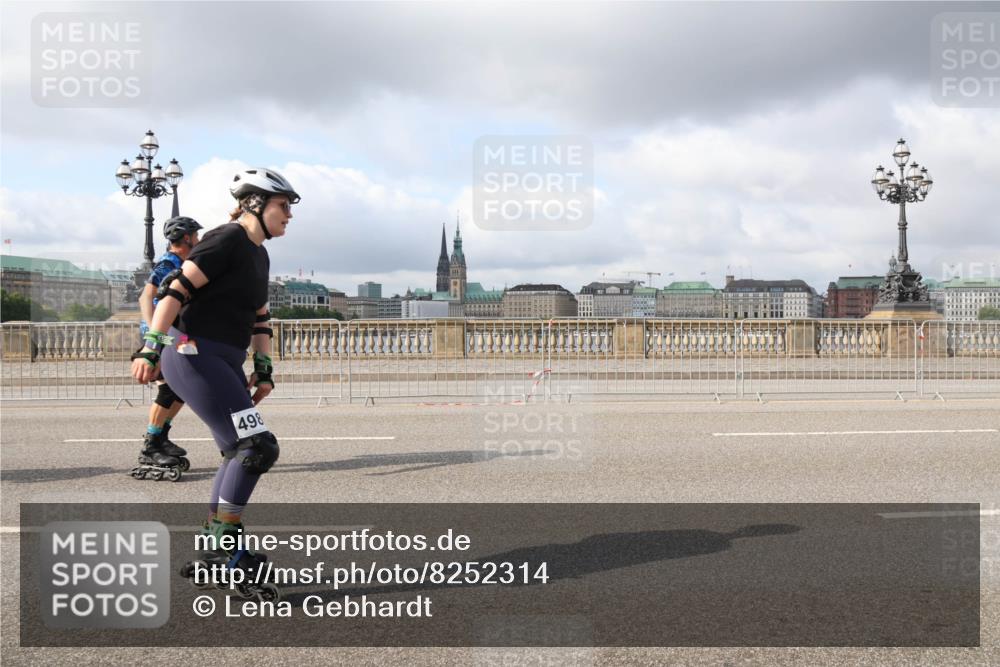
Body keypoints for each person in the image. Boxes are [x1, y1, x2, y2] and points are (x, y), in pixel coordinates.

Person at [132, 167, 298, 598]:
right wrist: (151, 346)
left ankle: (215, 544)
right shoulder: (227, 239)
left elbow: (260, 316)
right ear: (255, 203)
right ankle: (224, 547)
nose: (289, 216)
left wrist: (263, 368)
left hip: (222, 359)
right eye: (284, 206)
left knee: (237, 448)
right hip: (193, 354)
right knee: (257, 445)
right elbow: (175, 291)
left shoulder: (260, 254)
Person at [131, 216, 202, 481]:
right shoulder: (168, 263)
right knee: (170, 387)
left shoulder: (185, 263)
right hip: (162, 337)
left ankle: (161, 436)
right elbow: (146, 296)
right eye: (196, 236)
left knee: (184, 387)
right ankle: (151, 445)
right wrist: (154, 336)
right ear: (186, 238)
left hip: (174, 335)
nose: (198, 240)